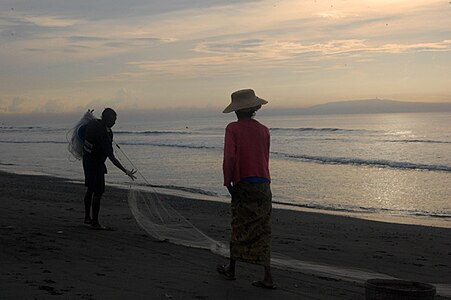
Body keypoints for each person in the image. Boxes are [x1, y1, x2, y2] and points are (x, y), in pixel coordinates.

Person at [217, 89, 276, 289]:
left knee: (239, 225)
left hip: (244, 182)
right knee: (263, 228)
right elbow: (264, 158)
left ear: (237, 111)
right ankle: (267, 275)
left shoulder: (232, 129)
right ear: (253, 108)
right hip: (263, 183)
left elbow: (230, 158)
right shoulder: (264, 129)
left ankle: (232, 269)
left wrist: (228, 182)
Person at [82, 108, 136, 229]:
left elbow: (89, 121)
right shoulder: (103, 134)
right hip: (96, 164)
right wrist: (125, 171)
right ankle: (95, 222)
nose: (114, 123)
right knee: (98, 192)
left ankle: (87, 217)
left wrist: (89, 114)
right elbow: (111, 157)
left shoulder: (94, 124)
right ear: (106, 119)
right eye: (113, 120)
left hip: (87, 161)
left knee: (90, 189)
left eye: (115, 120)